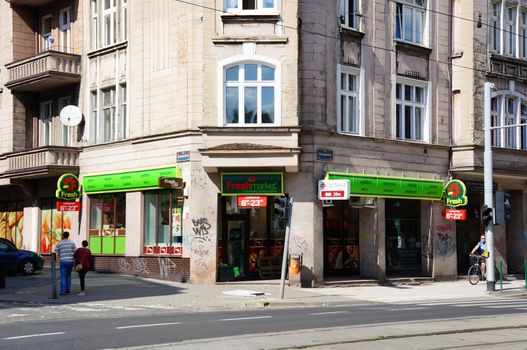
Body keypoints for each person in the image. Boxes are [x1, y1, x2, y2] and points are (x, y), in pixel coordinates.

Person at [54, 231, 76, 295]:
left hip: (63, 261)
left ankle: (63, 291)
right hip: (70, 261)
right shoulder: (72, 243)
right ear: (68, 236)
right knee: (68, 275)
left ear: (63, 236)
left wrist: (58, 256)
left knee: (63, 276)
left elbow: (55, 252)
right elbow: (75, 252)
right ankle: (68, 289)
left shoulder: (60, 243)